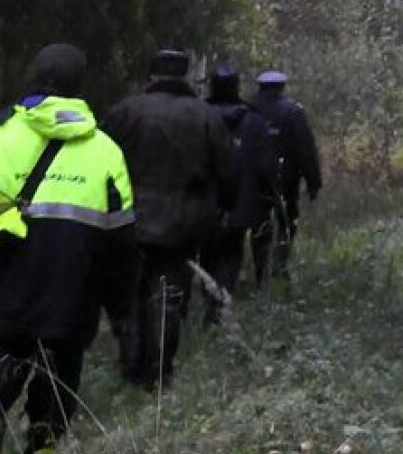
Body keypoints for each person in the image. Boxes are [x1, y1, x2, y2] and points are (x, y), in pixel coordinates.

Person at [0, 43, 138, 454]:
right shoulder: (105, 149)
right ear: (80, 86)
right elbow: (120, 239)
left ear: (33, 77)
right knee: (59, 377)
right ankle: (41, 447)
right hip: (72, 289)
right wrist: (120, 310)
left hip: (6, 280)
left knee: (0, 360)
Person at [102, 49, 233, 380]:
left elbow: (98, 161)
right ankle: (159, 370)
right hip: (183, 224)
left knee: (132, 292)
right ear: (185, 75)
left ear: (151, 75)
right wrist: (221, 211)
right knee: (170, 294)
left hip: (127, 222)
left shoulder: (124, 112)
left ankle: (131, 365)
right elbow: (228, 171)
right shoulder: (205, 116)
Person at [201, 64, 275, 316]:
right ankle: (222, 302)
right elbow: (266, 165)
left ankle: (210, 302)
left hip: (204, 202)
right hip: (241, 203)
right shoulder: (254, 121)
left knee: (207, 252)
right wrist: (267, 197)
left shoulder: (199, 115)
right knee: (231, 252)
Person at [250, 70, 321, 280]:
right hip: (287, 179)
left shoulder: (248, 108)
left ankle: (260, 269)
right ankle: (279, 266)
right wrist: (313, 182)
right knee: (287, 222)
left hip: (256, 179)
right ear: (282, 87)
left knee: (259, 224)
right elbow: (306, 149)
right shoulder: (293, 110)